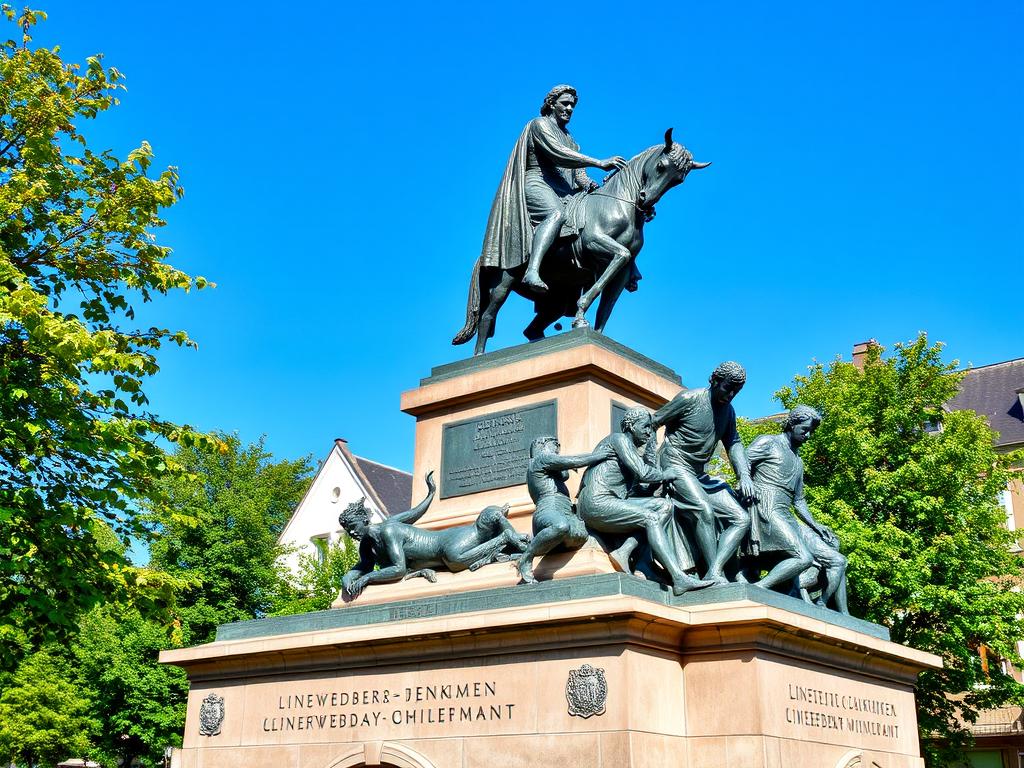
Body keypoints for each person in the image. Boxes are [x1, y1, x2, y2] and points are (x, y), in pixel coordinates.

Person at [478, 84, 627, 294]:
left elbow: (579, 174)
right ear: (551, 104)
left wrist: (590, 185)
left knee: (592, 220)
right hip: (537, 182)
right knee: (556, 214)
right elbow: (558, 153)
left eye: (573, 105)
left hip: (564, 190)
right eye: (564, 103)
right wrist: (599, 162)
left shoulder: (572, 141)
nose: (569, 108)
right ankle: (532, 270)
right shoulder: (539, 125)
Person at [576, 407, 713, 596]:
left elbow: (638, 484)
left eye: (651, 427)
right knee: (651, 518)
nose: (649, 431)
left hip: (611, 501)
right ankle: (679, 578)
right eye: (645, 427)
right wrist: (667, 474)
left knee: (663, 506)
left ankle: (634, 558)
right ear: (631, 426)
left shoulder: (629, 447)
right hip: (596, 504)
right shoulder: (619, 439)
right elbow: (643, 473)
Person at [652, 362, 754, 585]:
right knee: (704, 510)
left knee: (741, 518)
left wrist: (744, 475)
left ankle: (714, 571)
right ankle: (714, 573)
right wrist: (646, 468)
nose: (731, 394)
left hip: (699, 474)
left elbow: (734, 443)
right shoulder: (689, 399)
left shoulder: (729, 412)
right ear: (714, 380)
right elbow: (653, 423)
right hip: (675, 465)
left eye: (737, 391)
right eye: (728, 387)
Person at [517, 435, 612, 584]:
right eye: (555, 444)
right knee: (560, 526)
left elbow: (565, 473)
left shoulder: (549, 469)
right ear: (542, 445)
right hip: (548, 510)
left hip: (566, 510)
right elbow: (573, 461)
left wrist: (564, 464)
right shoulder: (539, 460)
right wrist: (602, 455)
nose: (558, 448)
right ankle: (526, 558)